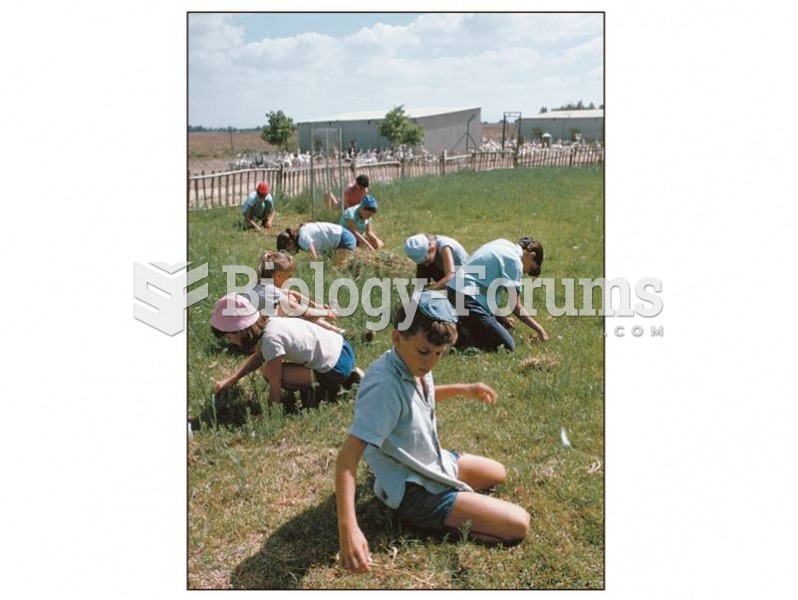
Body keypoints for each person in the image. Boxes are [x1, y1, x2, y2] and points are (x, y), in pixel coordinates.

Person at [335, 291, 530, 572]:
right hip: (413, 490)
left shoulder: (412, 363)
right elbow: (347, 459)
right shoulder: (383, 388)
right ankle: (428, 519)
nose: (431, 362)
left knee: (497, 472)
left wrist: (464, 389)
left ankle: (453, 500)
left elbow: (419, 397)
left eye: (440, 354)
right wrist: (348, 527)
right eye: (425, 352)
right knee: (517, 524)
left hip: (431, 460)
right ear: (396, 338)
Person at [211, 293, 362, 406]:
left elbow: (275, 382)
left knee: (268, 372)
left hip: (335, 368)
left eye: (230, 338)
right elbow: (258, 357)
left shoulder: (270, 341)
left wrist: (271, 412)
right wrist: (232, 380)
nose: (232, 343)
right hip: (343, 348)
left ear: (240, 331)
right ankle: (350, 376)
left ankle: (331, 390)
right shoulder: (270, 322)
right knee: (269, 367)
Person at [446, 236, 548, 351]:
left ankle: (463, 325)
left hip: (453, 290)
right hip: (466, 298)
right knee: (507, 346)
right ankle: (462, 338)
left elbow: (488, 293)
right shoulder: (515, 262)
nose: (526, 272)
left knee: (499, 326)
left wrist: (501, 318)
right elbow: (515, 306)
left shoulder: (502, 243)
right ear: (531, 255)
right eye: (530, 269)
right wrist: (540, 330)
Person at [254, 251, 343, 334]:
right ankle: (335, 330)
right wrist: (327, 313)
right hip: (259, 333)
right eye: (289, 276)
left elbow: (292, 293)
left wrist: (316, 305)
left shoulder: (262, 285)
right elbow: (305, 313)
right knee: (297, 313)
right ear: (278, 276)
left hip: (253, 328)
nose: (290, 279)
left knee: (291, 300)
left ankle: (331, 326)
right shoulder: (273, 292)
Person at [404, 233, 469, 291]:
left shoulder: (445, 247)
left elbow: (450, 277)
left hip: (462, 278)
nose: (426, 265)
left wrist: (430, 289)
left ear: (432, 249)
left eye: (427, 261)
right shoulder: (428, 252)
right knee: (422, 269)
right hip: (443, 271)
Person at [276, 222, 356, 265]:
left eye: (288, 250)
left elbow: (315, 258)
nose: (290, 254)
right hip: (343, 238)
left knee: (337, 271)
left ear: (290, 242)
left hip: (344, 240)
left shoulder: (302, 239)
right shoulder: (302, 233)